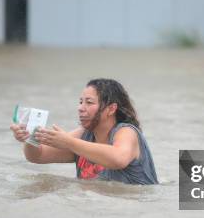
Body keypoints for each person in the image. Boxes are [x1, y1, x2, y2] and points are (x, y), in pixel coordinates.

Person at [10, 79, 159, 185]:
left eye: (89, 102)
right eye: (80, 102)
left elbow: (118, 158)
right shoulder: (83, 135)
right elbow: (38, 156)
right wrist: (30, 139)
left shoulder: (126, 131)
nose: (80, 108)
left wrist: (69, 142)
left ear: (111, 109)